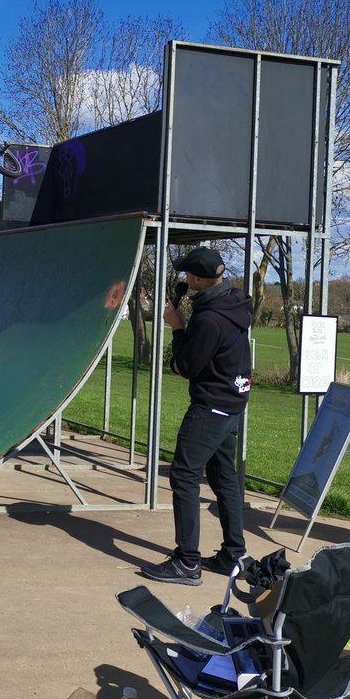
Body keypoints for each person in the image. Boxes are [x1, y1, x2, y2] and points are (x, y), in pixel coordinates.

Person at [140, 246, 253, 586]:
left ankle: (187, 562)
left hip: (211, 406)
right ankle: (235, 554)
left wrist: (177, 328)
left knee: (184, 476)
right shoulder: (234, 302)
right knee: (223, 478)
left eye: (188, 275)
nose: (185, 279)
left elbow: (186, 365)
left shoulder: (209, 319)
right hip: (233, 401)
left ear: (198, 279)